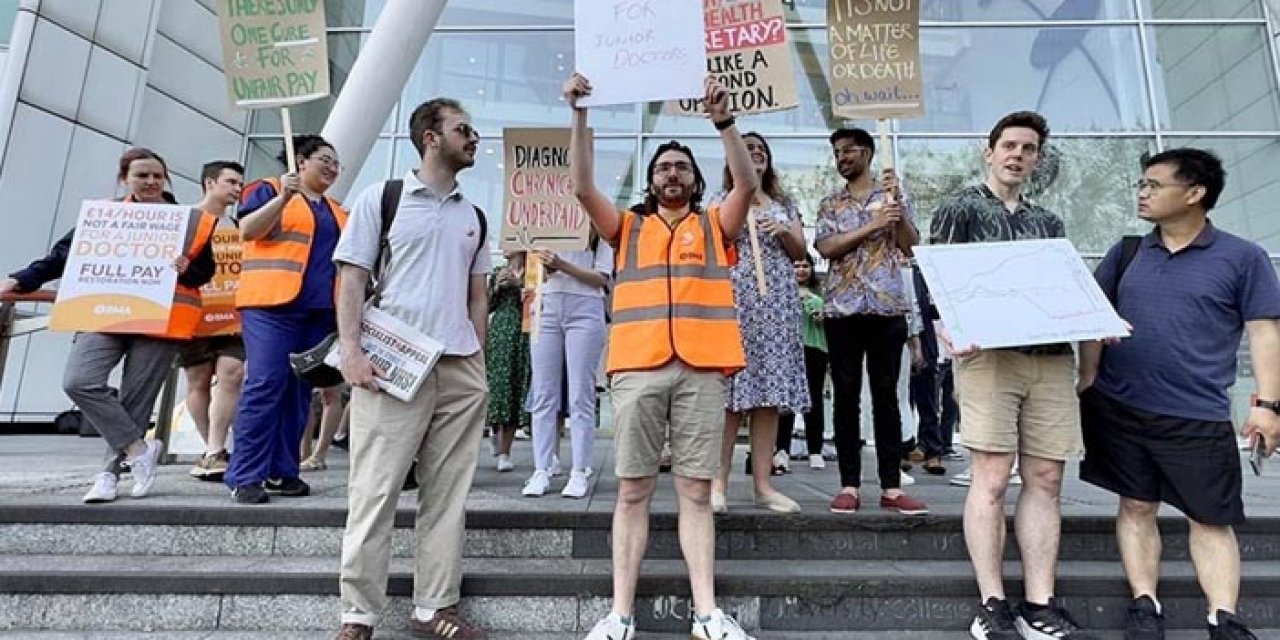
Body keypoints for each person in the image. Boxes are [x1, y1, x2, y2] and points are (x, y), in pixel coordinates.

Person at [567, 72, 757, 640]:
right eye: (662, 167)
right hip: (637, 366)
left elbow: (745, 185)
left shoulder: (715, 223)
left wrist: (724, 122)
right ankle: (620, 614)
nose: (671, 173)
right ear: (651, 181)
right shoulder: (625, 226)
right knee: (632, 489)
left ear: (697, 180)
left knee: (697, 491)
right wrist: (580, 114)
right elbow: (580, 186)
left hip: (701, 368)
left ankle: (706, 613)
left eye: (681, 166)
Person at [1078, 148, 1280, 640]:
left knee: (1210, 519)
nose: (1143, 193)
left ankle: (1223, 618)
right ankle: (1145, 604)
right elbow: (1091, 318)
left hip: (1198, 415)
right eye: (1141, 184)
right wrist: (1087, 378)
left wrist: (1268, 407)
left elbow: (1265, 332)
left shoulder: (1242, 257)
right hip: (1122, 407)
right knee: (1136, 506)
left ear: (1195, 193)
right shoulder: (1126, 252)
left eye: (1154, 184)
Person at [929, 111, 1095, 640]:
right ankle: (992, 603)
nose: (1018, 154)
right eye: (1009, 145)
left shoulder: (1048, 222)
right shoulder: (959, 207)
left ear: (1037, 158)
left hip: (1048, 357)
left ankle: (1040, 603)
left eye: (1028, 148)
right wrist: (944, 333)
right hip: (988, 358)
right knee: (993, 477)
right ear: (989, 150)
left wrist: (1093, 324)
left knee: (1046, 477)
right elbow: (936, 277)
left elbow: (1063, 288)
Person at [333, 97, 490, 640]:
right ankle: (358, 614)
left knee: (448, 494)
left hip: (458, 368)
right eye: (463, 130)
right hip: (392, 366)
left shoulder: (475, 213)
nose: (473, 139)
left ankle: (433, 606)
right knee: (374, 491)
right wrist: (351, 352)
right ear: (430, 137)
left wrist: (480, 363)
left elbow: (477, 295)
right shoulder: (384, 198)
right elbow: (351, 278)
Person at [1, 147, 218, 503]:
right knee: (79, 380)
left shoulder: (189, 220)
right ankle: (137, 448)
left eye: (156, 176)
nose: (150, 182)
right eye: (141, 176)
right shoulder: (107, 215)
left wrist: (187, 268)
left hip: (159, 318)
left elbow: (205, 272)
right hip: (104, 312)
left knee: (136, 398)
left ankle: (108, 476)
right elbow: (63, 256)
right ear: (125, 179)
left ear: (166, 179)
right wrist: (21, 280)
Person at [224, 135, 347, 504]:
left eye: (336, 163)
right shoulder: (266, 190)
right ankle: (245, 475)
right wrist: (284, 198)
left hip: (318, 312)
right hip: (270, 307)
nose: (332, 167)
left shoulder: (338, 210)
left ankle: (282, 470)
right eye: (324, 159)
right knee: (265, 384)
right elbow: (248, 231)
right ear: (301, 161)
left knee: (298, 394)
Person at [814, 127, 927, 517]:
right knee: (845, 397)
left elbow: (910, 246)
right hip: (843, 310)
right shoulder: (831, 204)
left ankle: (892, 487)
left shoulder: (893, 195)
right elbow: (827, 247)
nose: (842, 158)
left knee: (886, 398)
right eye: (837, 153)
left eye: (848, 151)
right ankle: (849, 484)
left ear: (867, 153)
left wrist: (897, 217)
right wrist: (870, 227)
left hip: (887, 311)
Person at [709, 131, 809, 515]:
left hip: (777, 306)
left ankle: (763, 485)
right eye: (747, 149)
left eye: (761, 150)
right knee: (732, 396)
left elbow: (801, 251)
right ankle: (718, 483)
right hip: (737, 301)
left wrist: (784, 231)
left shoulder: (784, 203)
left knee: (767, 397)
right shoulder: (721, 200)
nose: (755, 154)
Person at [522, 237, 612, 499]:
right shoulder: (542, 224)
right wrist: (534, 277)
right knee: (543, 393)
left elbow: (601, 277)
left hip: (585, 306)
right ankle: (541, 468)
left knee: (580, 394)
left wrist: (562, 265)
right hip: (545, 303)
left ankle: (579, 469)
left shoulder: (597, 228)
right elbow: (530, 272)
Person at [182, 161, 247, 481]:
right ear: (209, 182)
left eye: (239, 183)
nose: (237, 188)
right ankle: (213, 449)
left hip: (233, 315)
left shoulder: (238, 225)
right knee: (198, 381)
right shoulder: (185, 221)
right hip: (194, 312)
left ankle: (215, 447)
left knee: (231, 373)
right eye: (231, 182)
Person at [777, 254, 830, 470]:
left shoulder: (821, 293)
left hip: (814, 348)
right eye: (796, 266)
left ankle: (815, 450)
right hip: (788, 350)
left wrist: (819, 308)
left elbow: (830, 312)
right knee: (786, 401)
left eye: (804, 266)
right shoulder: (781, 291)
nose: (800, 270)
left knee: (813, 399)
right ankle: (782, 449)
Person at [487, 251, 531, 473]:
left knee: (514, 387)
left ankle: (506, 450)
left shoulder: (532, 272)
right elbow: (487, 304)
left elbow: (536, 300)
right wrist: (497, 287)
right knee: (497, 387)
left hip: (522, 331)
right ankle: (495, 431)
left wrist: (520, 285)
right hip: (499, 332)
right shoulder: (497, 272)